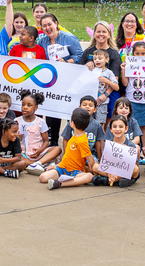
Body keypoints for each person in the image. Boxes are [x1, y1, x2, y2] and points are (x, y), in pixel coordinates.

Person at [36, 13, 83, 146]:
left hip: (68, 81)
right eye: (44, 26)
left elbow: (80, 55)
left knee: (69, 111)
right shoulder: (42, 41)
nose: (47, 28)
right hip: (51, 82)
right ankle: (53, 143)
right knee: (52, 112)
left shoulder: (69, 38)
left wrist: (67, 61)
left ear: (56, 23)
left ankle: (73, 141)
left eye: (49, 24)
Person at [39, 107, 97, 190]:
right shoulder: (74, 136)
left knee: (89, 176)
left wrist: (92, 170)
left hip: (76, 172)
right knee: (42, 177)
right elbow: (68, 157)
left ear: (72, 123)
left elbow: (90, 158)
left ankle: (60, 184)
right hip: (63, 169)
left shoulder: (82, 141)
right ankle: (64, 181)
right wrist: (56, 166)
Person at [17, 90, 61, 174]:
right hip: (23, 153)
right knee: (17, 157)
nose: (25, 107)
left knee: (57, 149)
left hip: (38, 153)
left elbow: (46, 141)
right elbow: (10, 138)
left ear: (36, 107)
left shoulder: (40, 122)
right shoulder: (16, 121)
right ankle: (39, 165)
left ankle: (37, 164)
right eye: (23, 104)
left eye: (29, 105)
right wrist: (16, 137)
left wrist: (40, 150)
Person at [120, 41, 145, 128]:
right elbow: (125, 83)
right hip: (132, 100)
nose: (140, 56)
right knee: (131, 125)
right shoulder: (129, 65)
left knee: (144, 126)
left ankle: (144, 139)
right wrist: (123, 70)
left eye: (143, 53)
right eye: (137, 53)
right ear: (133, 54)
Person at [93, 116, 140, 188]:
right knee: (95, 167)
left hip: (124, 170)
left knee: (135, 169)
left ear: (126, 129)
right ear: (111, 129)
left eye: (121, 127)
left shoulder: (130, 144)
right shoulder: (108, 144)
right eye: (114, 127)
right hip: (111, 170)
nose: (117, 129)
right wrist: (109, 173)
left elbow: (133, 164)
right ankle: (118, 180)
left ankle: (107, 180)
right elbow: (106, 163)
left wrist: (125, 152)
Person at [90, 49, 120, 123]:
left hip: (102, 103)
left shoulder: (109, 73)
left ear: (107, 59)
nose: (97, 60)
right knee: (89, 123)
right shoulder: (91, 71)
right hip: (90, 102)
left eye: (100, 58)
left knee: (100, 123)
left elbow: (116, 87)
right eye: (95, 59)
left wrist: (107, 81)